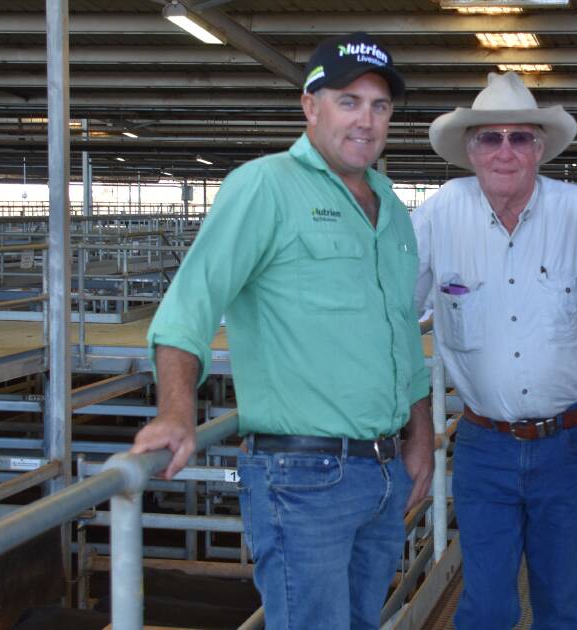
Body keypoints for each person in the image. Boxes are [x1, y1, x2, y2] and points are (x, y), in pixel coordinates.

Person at [129, 32, 433, 630]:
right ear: (310, 106)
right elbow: (191, 303)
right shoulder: (265, 186)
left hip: (382, 472)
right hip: (303, 478)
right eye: (348, 101)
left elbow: (402, 334)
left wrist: (419, 436)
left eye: (380, 107)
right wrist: (175, 410)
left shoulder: (392, 208)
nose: (365, 121)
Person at [413, 72, 577, 630]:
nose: (504, 150)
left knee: (567, 602)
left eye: (519, 138)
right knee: (487, 606)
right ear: (470, 149)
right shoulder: (438, 217)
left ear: (539, 148)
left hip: (572, 443)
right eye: (490, 137)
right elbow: (390, 310)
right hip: (485, 444)